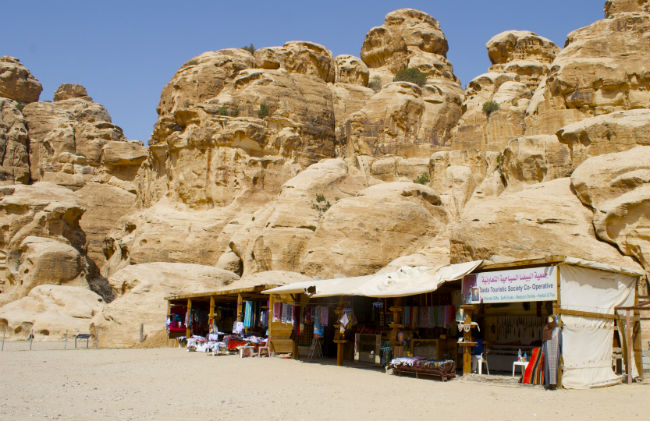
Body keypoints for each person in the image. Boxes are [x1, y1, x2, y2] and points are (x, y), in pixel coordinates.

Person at [542, 315, 562, 390]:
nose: (550, 321)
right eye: (549, 319)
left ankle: (553, 385)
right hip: (548, 349)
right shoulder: (546, 328)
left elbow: (560, 340)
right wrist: (543, 350)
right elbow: (544, 341)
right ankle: (547, 385)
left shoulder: (558, 329)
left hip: (555, 350)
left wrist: (561, 350)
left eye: (551, 319)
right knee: (547, 367)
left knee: (554, 367)